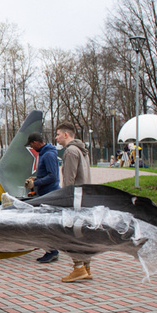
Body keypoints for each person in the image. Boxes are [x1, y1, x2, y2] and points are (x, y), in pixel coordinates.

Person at [55, 120, 92, 282]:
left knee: (70, 235)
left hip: (74, 200)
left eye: (57, 135)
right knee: (82, 235)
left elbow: (68, 181)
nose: (56, 138)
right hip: (85, 198)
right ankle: (86, 267)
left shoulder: (70, 152)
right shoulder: (82, 150)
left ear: (65, 134)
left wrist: (64, 201)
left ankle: (78, 267)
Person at [25, 131, 60, 263]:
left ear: (35, 142)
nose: (32, 148)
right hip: (46, 193)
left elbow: (53, 176)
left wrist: (36, 183)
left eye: (31, 145)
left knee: (47, 225)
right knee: (45, 225)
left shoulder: (49, 155)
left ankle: (52, 251)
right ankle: (51, 250)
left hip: (49, 194)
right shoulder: (45, 153)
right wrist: (36, 180)